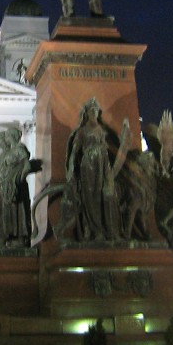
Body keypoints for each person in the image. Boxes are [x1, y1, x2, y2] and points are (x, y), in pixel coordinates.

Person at [65, 98, 120, 240]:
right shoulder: (82, 131)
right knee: (90, 197)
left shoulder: (101, 130)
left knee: (103, 195)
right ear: (87, 113)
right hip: (88, 164)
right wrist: (71, 166)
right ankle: (93, 229)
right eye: (91, 110)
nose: (94, 113)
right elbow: (75, 150)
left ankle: (104, 229)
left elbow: (105, 149)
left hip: (101, 163)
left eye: (96, 110)